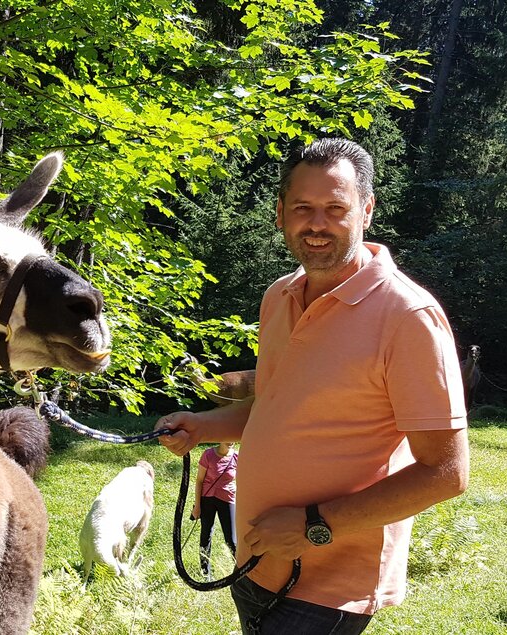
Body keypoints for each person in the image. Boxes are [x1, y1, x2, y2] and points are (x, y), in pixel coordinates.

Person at [155, 138, 470, 635]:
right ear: (281, 213)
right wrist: (201, 426)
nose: (317, 223)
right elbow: (278, 407)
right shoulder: (279, 296)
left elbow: (445, 473)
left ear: (365, 210)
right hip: (258, 560)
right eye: (303, 208)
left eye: (335, 208)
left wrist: (312, 525)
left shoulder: (407, 316)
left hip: (329, 585)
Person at [193, 442, 238, 577]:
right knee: (206, 535)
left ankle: (240, 573)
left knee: (232, 540)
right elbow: (199, 481)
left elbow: (242, 480)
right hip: (208, 499)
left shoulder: (237, 456)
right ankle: (205, 572)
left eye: (233, 439)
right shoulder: (208, 455)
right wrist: (197, 506)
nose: (230, 442)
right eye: (227, 438)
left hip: (228, 499)